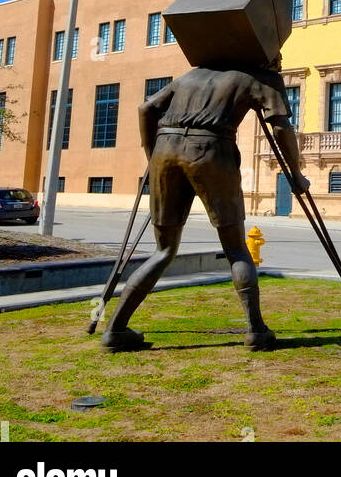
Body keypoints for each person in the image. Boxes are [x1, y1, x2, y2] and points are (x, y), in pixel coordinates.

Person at [101, 56, 308, 353]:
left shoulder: (191, 76)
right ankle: (256, 331)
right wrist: (296, 174)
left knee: (164, 250)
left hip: (165, 149)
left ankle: (115, 329)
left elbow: (146, 108)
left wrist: (152, 155)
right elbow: (281, 128)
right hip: (212, 150)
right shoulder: (260, 76)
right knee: (236, 247)